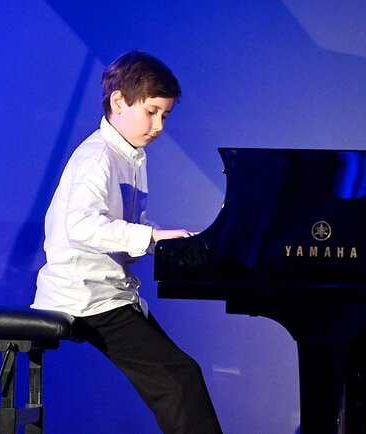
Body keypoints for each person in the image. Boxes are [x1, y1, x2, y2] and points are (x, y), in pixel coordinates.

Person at [32, 50, 223, 434]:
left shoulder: (130, 156)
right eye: (151, 112)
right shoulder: (98, 156)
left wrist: (166, 241)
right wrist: (150, 236)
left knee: (181, 376)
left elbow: (124, 226)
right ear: (118, 101)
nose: (159, 126)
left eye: (165, 116)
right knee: (179, 379)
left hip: (109, 291)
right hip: (85, 295)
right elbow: (82, 226)